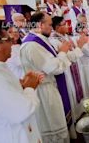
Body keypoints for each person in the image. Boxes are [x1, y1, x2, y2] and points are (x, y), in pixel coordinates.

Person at [20, 12, 72, 142]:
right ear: (40, 25)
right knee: (53, 127)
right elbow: (54, 67)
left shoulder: (39, 40)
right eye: (49, 24)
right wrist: (63, 53)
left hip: (49, 87)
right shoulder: (32, 45)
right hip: (44, 91)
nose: (52, 27)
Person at [50, 16, 89, 139]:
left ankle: (79, 115)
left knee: (77, 92)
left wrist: (78, 46)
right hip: (67, 73)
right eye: (64, 24)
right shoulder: (54, 40)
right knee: (71, 93)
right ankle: (75, 120)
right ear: (57, 27)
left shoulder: (65, 37)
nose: (67, 26)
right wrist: (80, 46)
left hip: (74, 69)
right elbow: (68, 57)